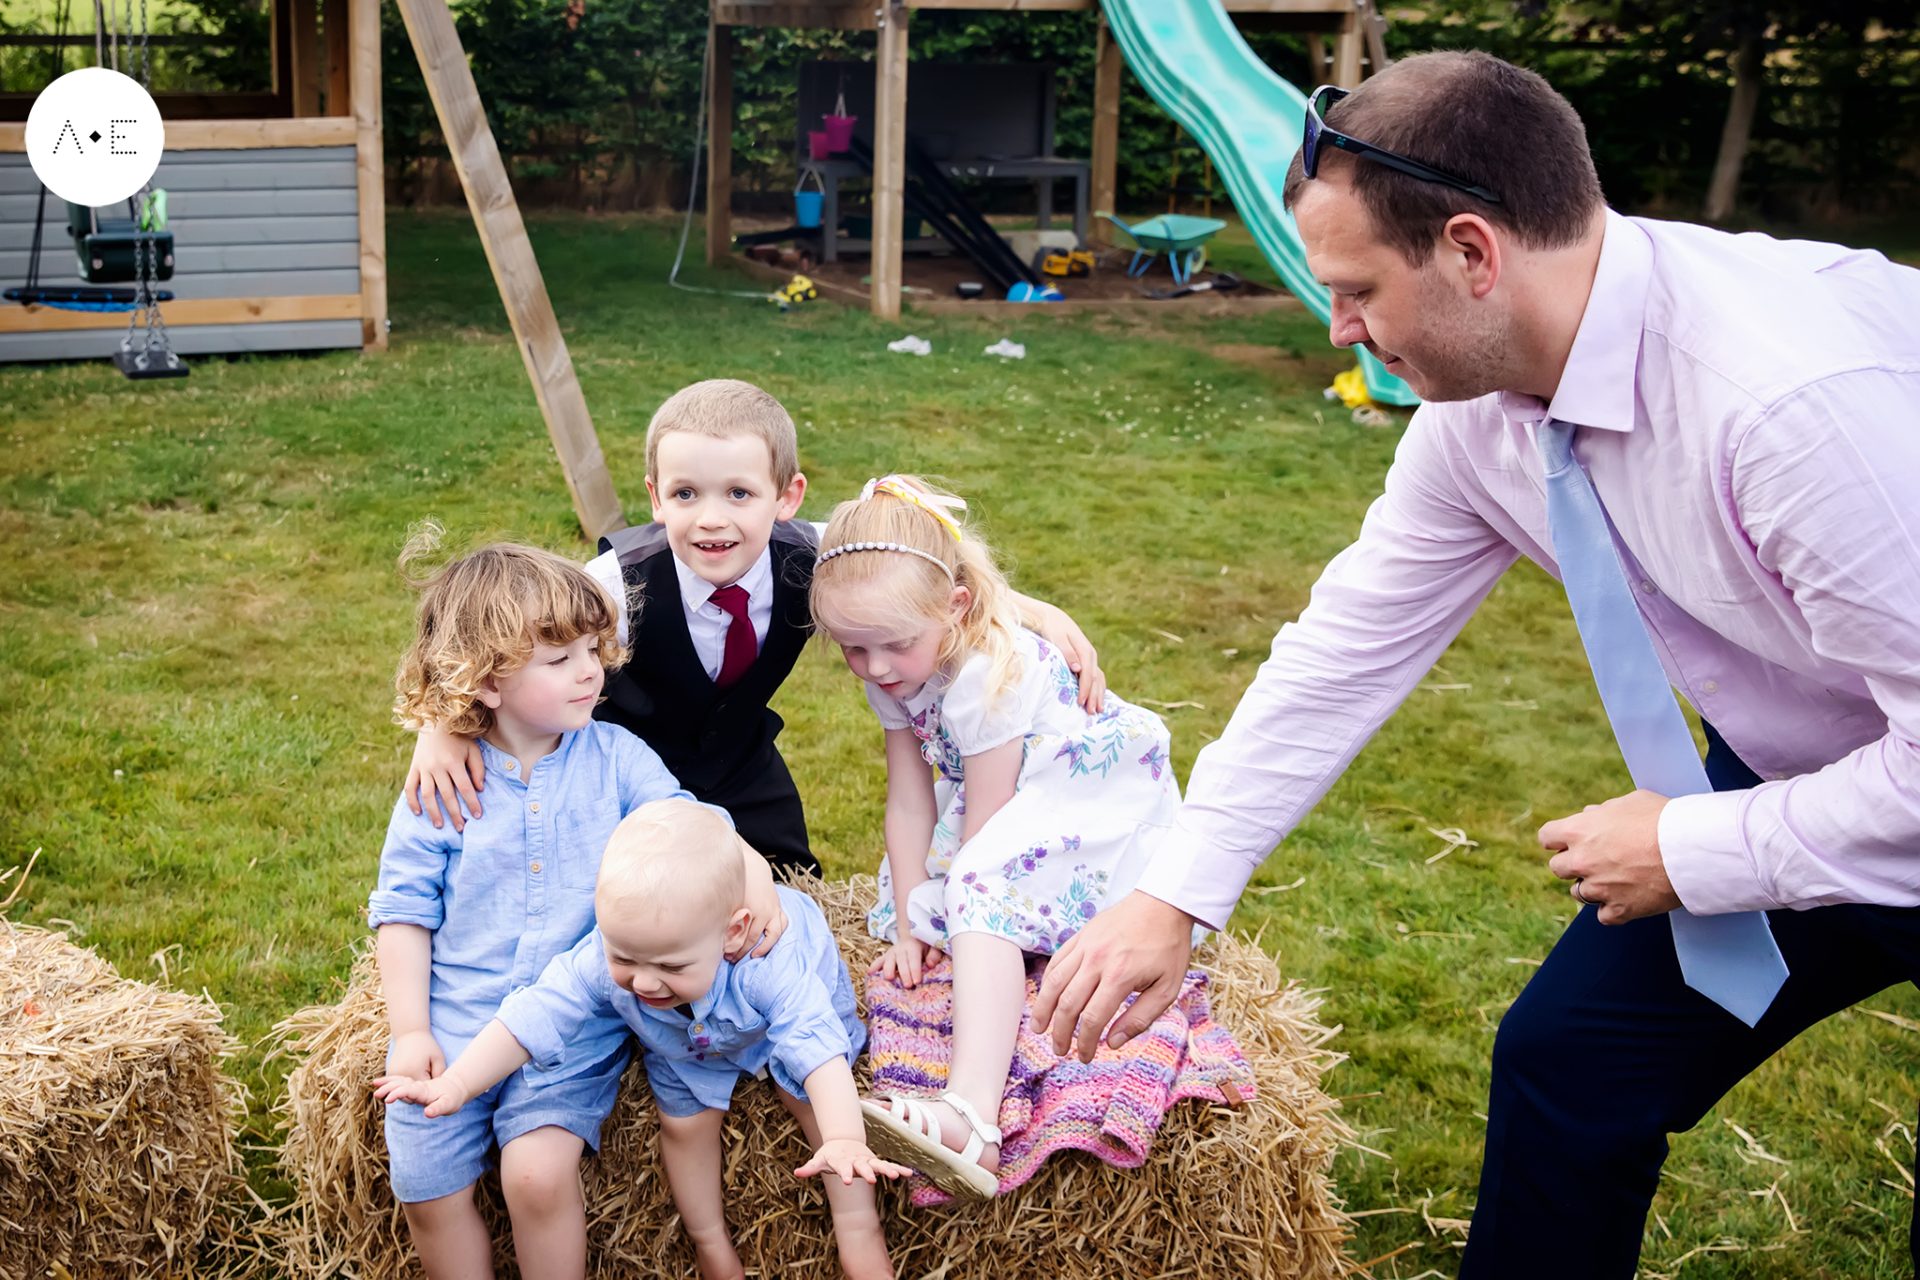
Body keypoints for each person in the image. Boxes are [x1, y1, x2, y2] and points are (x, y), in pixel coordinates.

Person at [1033, 49, 1920, 1277]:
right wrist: (1179, 888)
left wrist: (1689, 847)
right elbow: (1347, 645)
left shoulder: (1786, 409)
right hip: (1809, 753)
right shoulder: (1478, 421)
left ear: (1471, 251)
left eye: (1353, 291)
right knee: (1572, 1059)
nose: (1336, 327)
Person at [402, 379, 1108, 879]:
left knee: (791, 894)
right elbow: (495, 634)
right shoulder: (617, 583)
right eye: (685, 495)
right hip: (619, 771)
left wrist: (1031, 609)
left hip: (744, 766)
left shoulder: (824, 554)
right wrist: (444, 726)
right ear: (655, 496)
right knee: (631, 904)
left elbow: (925, 559)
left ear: (786, 496)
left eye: (739, 493)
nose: (711, 518)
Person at [369, 534, 786, 1280]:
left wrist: (751, 876)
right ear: (485, 682)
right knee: (430, 1191)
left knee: (535, 1175)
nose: (591, 671)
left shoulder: (618, 761)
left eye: (594, 649)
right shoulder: (445, 784)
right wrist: (410, 1030)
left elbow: (693, 826)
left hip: (566, 1035)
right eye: (560, 661)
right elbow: (403, 908)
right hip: (457, 1022)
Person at [808, 475, 1184, 1200]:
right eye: (852, 650)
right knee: (934, 893)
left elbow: (988, 825)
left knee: (980, 887)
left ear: (955, 607)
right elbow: (910, 800)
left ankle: (972, 1115)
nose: (876, 668)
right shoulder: (891, 661)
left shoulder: (984, 672)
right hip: (1011, 794)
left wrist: (950, 910)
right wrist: (912, 919)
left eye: (892, 646)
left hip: (1086, 792)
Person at [374, 799, 906, 1280]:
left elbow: (818, 1052)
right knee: (683, 1124)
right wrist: (460, 1083)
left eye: (670, 965)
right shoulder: (611, 953)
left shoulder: (770, 962)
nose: (644, 982)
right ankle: (710, 1241)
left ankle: (858, 1229)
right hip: (685, 1039)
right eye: (624, 958)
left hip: (768, 1019)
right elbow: (535, 1013)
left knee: (805, 1094)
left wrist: (844, 1137)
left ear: (733, 932)